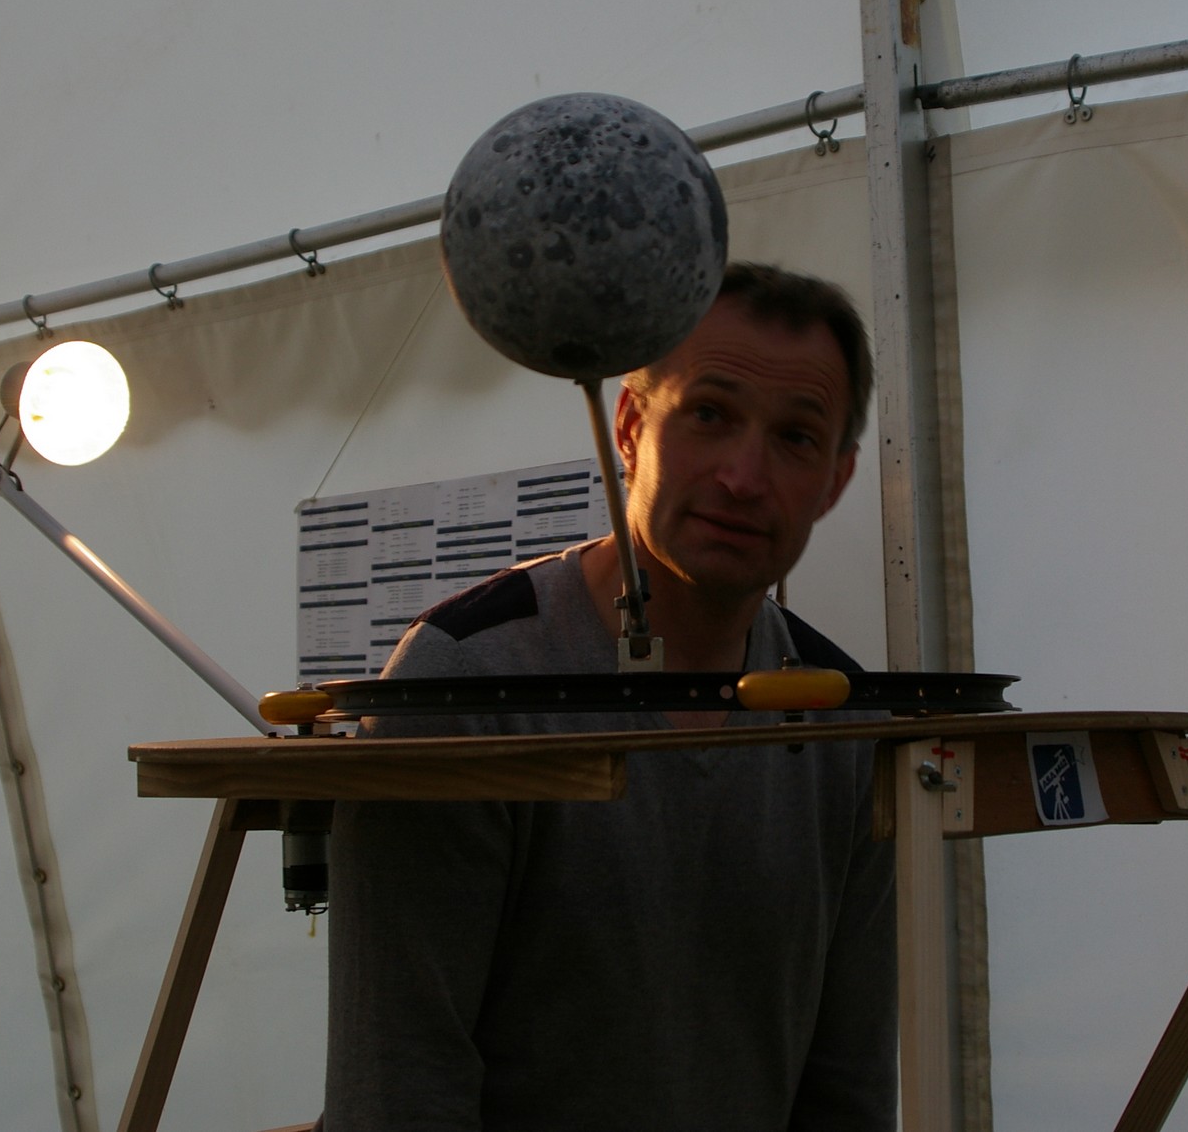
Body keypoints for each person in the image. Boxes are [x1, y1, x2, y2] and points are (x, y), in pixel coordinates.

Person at [323, 263, 894, 1132]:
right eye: (710, 414)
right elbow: (399, 1084)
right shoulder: (466, 682)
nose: (745, 477)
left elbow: (847, 1090)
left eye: (796, 437)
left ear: (836, 481)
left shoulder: (844, 724)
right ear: (629, 426)